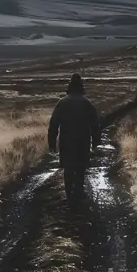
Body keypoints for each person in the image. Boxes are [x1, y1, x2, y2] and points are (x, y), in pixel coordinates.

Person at [48, 73, 100, 205]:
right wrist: (96, 142)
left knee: (68, 168)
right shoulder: (87, 103)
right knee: (80, 168)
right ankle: (78, 192)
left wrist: (52, 143)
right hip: (83, 140)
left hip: (66, 140)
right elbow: (95, 124)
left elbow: (54, 124)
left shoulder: (62, 103)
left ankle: (69, 193)